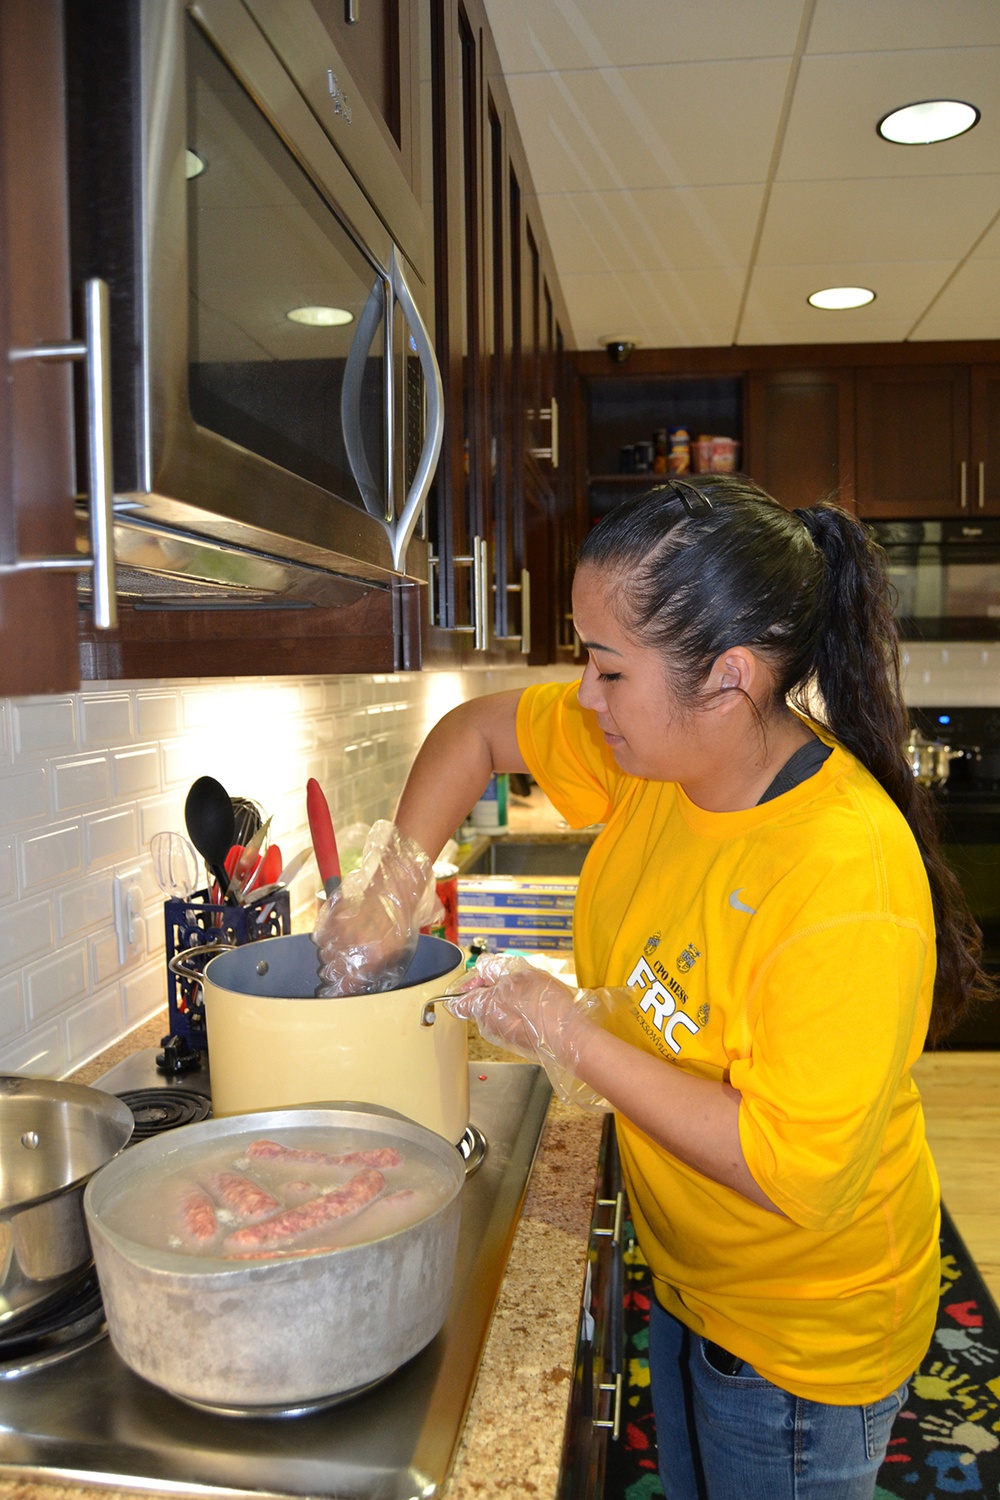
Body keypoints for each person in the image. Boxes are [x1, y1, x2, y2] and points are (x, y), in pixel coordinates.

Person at [313, 474, 993, 1500]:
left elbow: (791, 1174)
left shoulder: (837, 872)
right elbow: (476, 735)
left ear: (727, 678)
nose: (585, 696)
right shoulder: (659, 756)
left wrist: (566, 1032)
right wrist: (391, 886)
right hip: (687, 1272)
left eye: (606, 668)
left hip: (800, 1339)